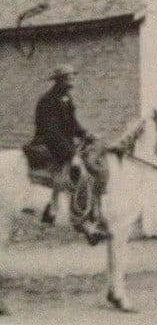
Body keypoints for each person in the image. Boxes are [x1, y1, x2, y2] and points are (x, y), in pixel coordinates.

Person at [31, 64, 90, 224]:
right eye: (69, 79)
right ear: (59, 81)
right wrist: (71, 154)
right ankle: (57, 210)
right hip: (49, 143)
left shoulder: (67, 98)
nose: (72, 82)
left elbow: (72, 123)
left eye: (72, 78)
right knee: (75, 167)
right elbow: (51, 132)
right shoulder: (47, 100)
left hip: (64, 142)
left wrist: (85, 133)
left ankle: (86, 210)